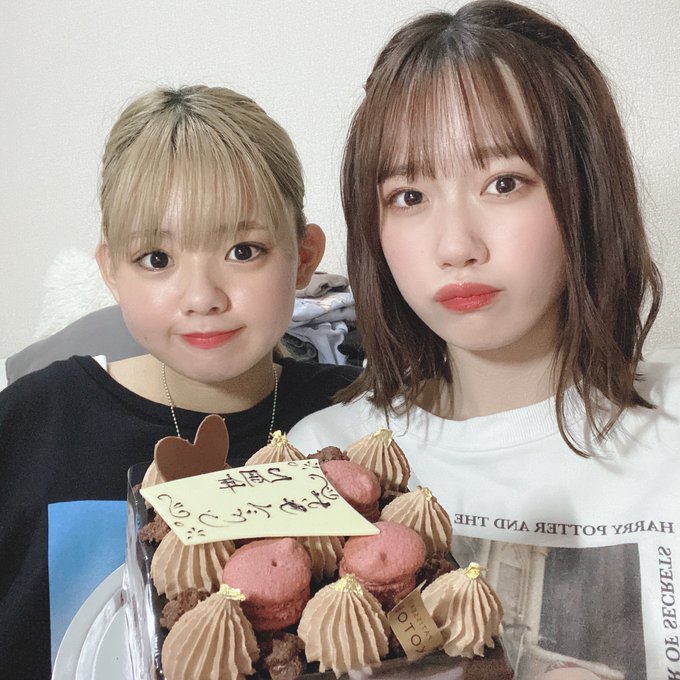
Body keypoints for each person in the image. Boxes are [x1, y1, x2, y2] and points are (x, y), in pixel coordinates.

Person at [288, 2, 680, 679]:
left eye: (504, 183)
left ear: (586, 191)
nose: (456, 246)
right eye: (409, 196)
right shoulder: (327, 462)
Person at [0, 85, 359, 678]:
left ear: (303, 256)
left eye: (243, 250)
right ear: (111, 271)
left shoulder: (355, 417)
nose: (202, 297)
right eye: (157, 259)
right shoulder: (32, 424)